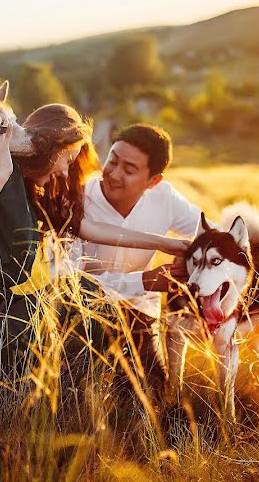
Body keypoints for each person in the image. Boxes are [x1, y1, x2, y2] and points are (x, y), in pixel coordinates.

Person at [0, 105, 186, 378]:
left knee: (86, 294)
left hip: (0, 309)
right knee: (83, 294)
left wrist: (162, 243)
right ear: (50, 148)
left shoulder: (34, 192)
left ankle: (74, 386)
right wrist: (1, 172)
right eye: (66, 158)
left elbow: (88, 228)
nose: (66, 169)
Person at [66, 124, 208, 392]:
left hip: (139, 313)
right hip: (82, 315)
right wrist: (145, 280)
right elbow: (71, 283)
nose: (114, 174)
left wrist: (188, 261)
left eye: (129, 169)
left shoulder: (164, 198)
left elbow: (213, 234)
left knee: (149, 394)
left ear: (153, 181)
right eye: (112, 160)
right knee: (77, 390)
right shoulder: (78, 198)